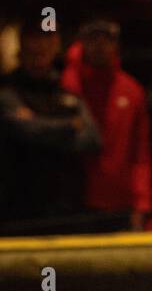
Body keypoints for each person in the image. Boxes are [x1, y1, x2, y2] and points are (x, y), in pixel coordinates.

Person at [0, 23, 101, 234]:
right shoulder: (7, 94)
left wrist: (39, 125)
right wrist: (68, 126)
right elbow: (25, 131)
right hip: (18, 211)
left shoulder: (67, 95)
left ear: (53, 53)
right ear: (20, 54)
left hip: (65, 209)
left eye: (43, 53)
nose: (38, 60)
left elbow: (92, 139)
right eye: (32, 53)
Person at [61, 19, 152, 231]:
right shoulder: (72, 85)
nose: (100, 46)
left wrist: (142, 202)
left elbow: (140, 152)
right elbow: (68, 93)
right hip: (77, 201)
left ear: (116, 45)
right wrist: (73, 63)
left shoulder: (132, 91)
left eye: (106, 40)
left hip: (120, 202)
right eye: (93, 40)